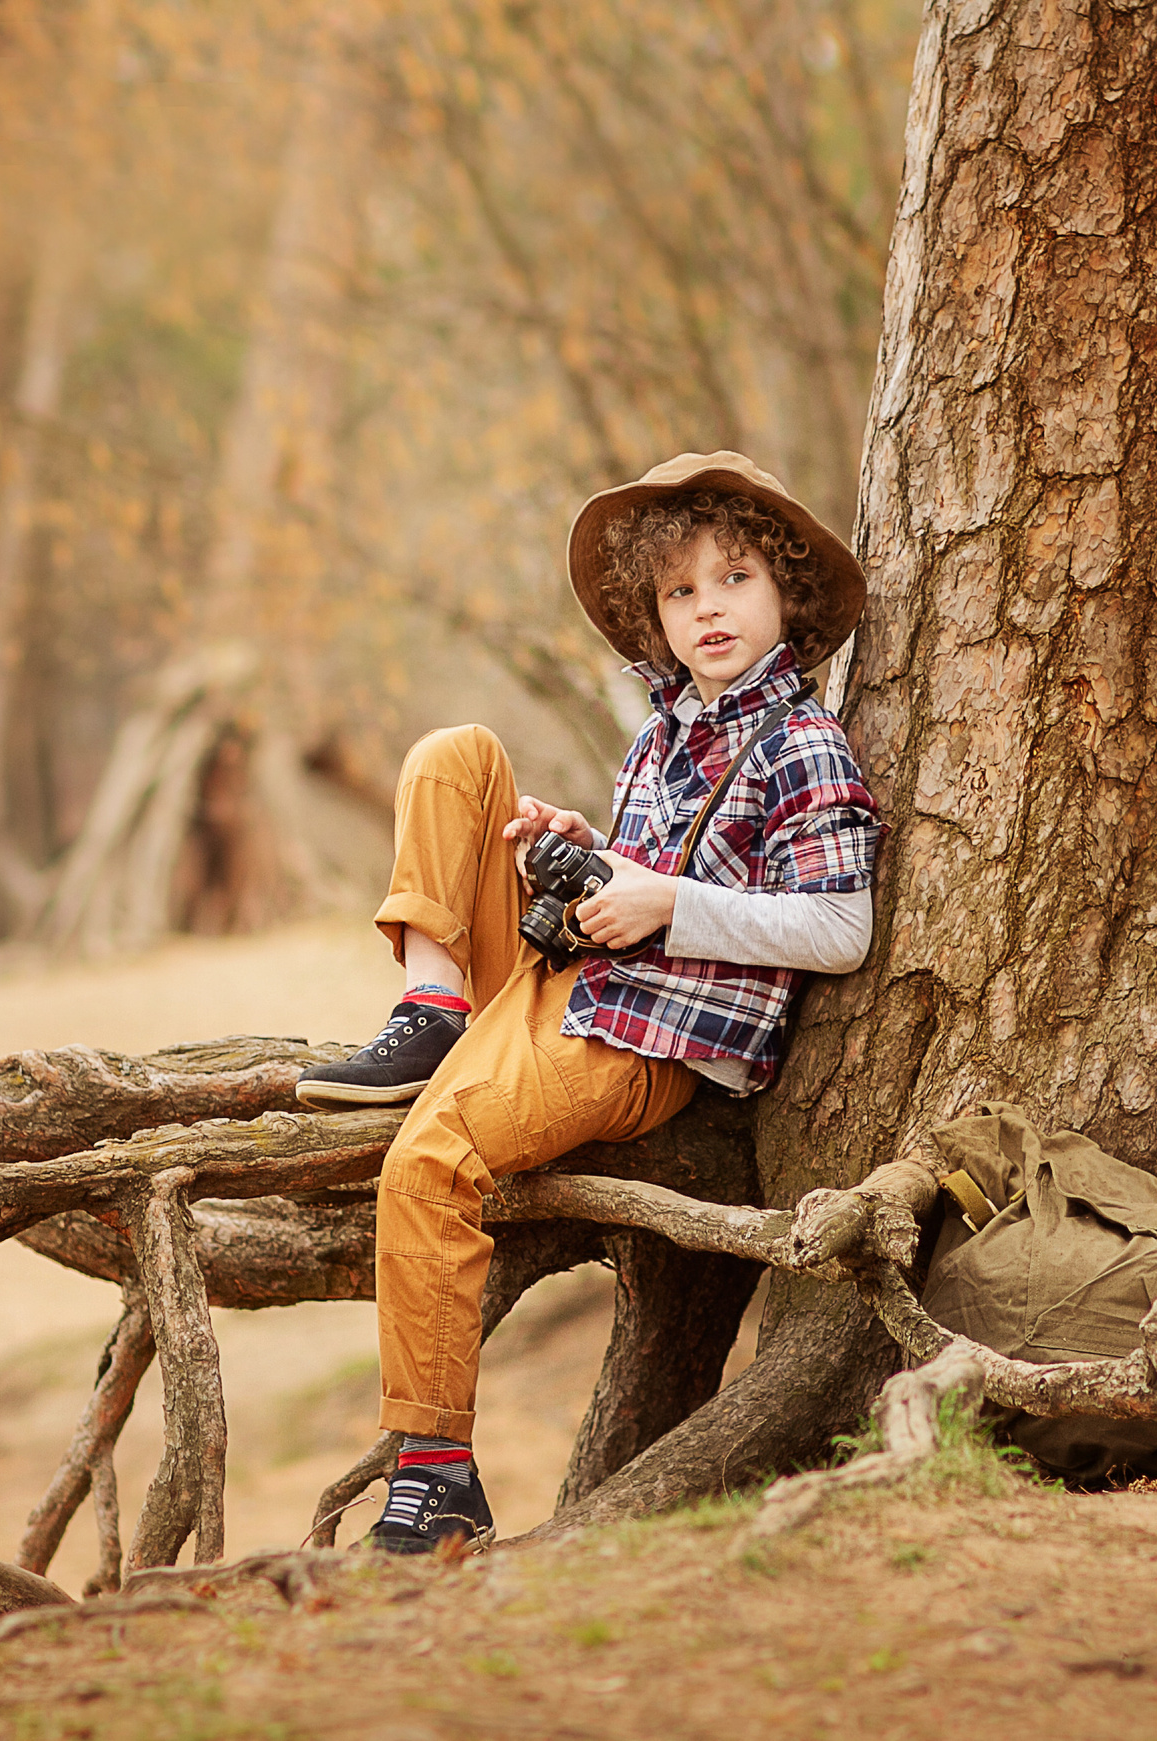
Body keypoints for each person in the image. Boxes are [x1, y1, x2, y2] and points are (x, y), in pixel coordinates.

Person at [294, 451, 882, 1555]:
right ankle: (431, 1008)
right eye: (679, 592)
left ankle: (436, 1476)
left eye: (735, 578)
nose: (708, 608)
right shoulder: (664, 731)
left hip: (645, 1039)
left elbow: (840, 926)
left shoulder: (802, 745)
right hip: (573, 979)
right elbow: (640, 880)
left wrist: (668, 903)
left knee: (427, 1165)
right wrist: (585, 857)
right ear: (654, 620)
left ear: (788, 596)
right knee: (454, 756)